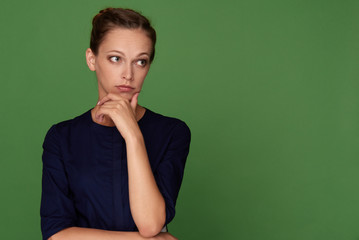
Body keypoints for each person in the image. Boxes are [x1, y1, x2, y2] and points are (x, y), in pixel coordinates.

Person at [40, 8, 191, 240]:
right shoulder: (62, 137)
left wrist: (133, 135)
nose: (128, 74)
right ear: (92, 59)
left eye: (140, 61)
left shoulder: (172, 132)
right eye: (115, 58)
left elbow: (150, 225)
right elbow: (56, 235)